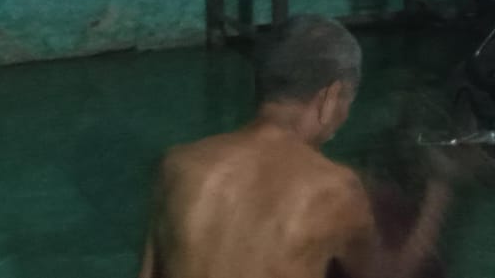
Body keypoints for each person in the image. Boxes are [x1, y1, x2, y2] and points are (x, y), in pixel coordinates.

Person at [138, 15, 451, 278]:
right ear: (330, 97)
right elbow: (390, 274)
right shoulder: (335, 187)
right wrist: (439, 190)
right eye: (347, 102)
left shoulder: (177, 165)